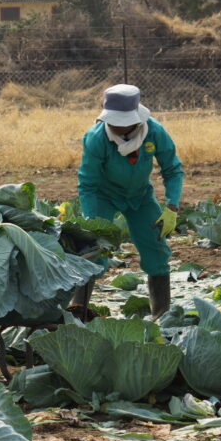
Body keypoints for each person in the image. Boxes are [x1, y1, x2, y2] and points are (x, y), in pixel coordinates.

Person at [72, 84, 183, 319]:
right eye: (114, 121)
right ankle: (77, 313)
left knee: (156, 249)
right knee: (93, 251)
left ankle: (162, 316)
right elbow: (88, 183)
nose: (119, 126)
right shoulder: (96, 138)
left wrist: (172, 206)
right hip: (104, 196)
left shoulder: (154, 132)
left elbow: (172, 169)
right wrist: (91, 220)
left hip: (140, 197)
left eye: (124, 121)